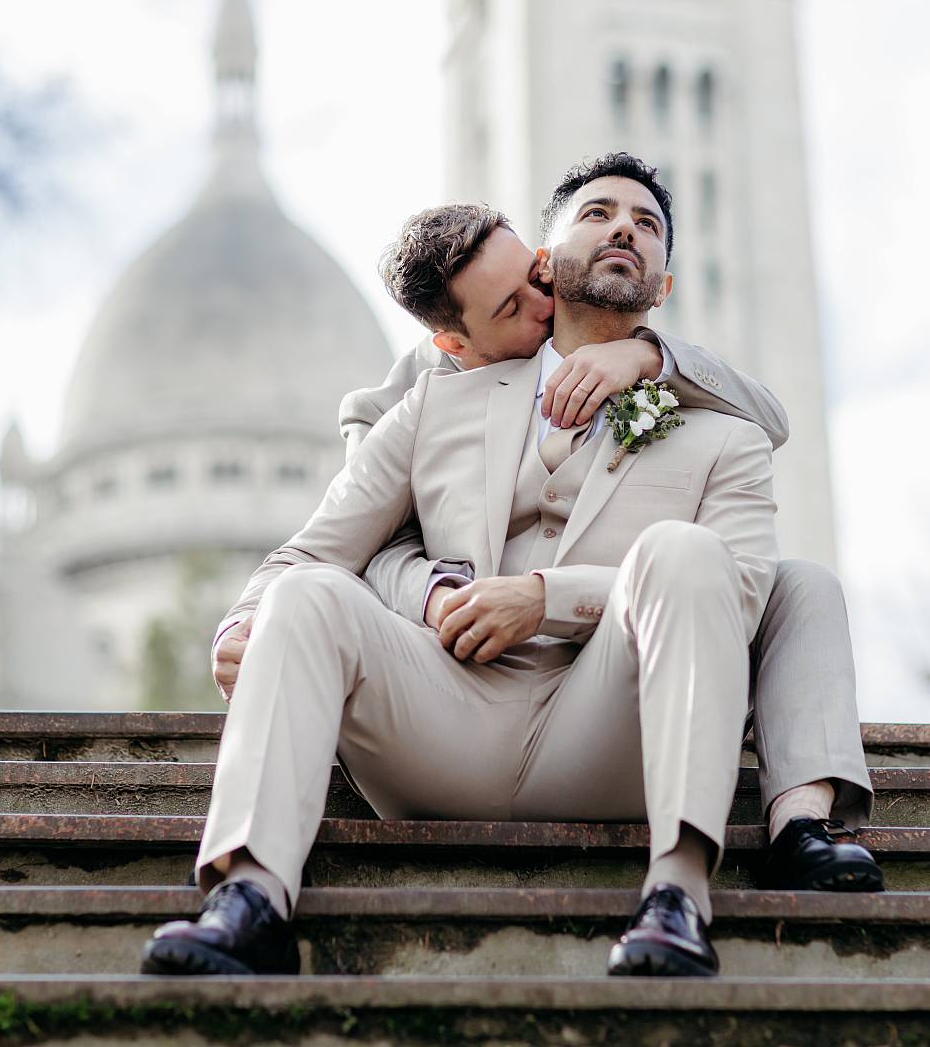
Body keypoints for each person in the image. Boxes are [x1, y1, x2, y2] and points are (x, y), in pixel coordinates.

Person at [142, 154, 877, 983]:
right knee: (308, 596)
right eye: (596, 214)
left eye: (647, 222)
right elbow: (316, 547)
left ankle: (676, 898)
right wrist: (244, 622)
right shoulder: (436, 399)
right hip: (444, 712)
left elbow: (744, 590)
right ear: (545, 264)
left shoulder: (726, 431)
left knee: (690, 551)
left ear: (663, 286)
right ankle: (250, 900)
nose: (624, 227)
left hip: (609, 730)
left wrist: (544, 600)